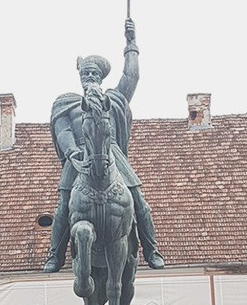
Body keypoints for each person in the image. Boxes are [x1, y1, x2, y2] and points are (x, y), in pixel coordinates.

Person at [44, 17, 164, 274]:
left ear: (100, 77)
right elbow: (62, 129)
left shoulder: (113, 99)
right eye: (85, 73)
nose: (89, 77)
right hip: (78, 155)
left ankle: (151, 248)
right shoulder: (67, 103)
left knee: (139, 199)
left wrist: (131, 44)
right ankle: (55, 254)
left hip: (111, 153)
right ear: (79, 77)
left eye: (94, 74)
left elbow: (131, 76)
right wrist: (71, 152)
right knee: (63, 205)